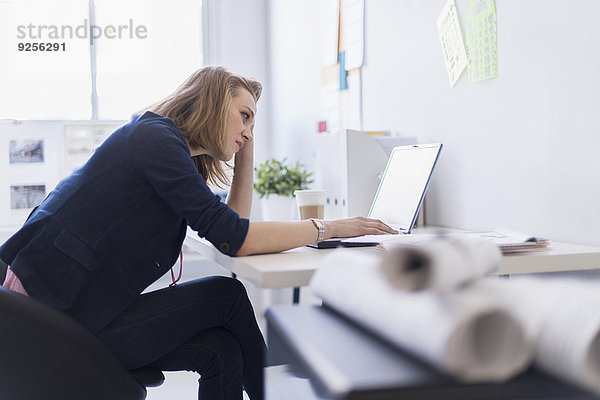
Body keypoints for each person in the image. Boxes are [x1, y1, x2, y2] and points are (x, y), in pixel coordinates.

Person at [0, 66, 396, 400]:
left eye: (253, 124)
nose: (247, 132)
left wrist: (246, 151)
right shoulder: (154, 138)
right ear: (213, 101)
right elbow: (235, 238)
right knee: (227, 295)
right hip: (54, 325)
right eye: (244, 116)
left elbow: (233, 228)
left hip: (77, 314)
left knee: (220, 349)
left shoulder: (169, 155)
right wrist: (328, 227)